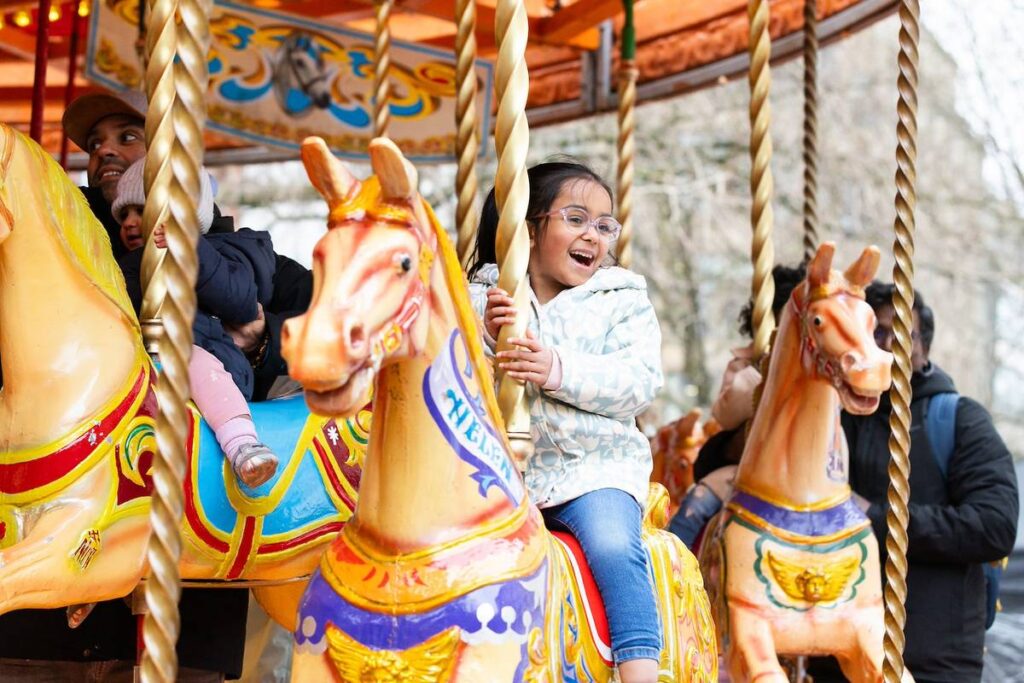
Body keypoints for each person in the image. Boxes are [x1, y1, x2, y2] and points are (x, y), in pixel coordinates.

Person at [468, 161, 664, 683]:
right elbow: (452, 382)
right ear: (528, 229)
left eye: (604, 225)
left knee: (612, 544)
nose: (593, 236)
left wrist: (557, 368)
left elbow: (638, 381)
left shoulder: (620, 300)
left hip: (592, 468)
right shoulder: (481, 298)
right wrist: (488, 340)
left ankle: (639, 665)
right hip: (495, 475)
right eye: (576, 218)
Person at [809, 283, 1019, 683]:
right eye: (870, 332)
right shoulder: (834, 417)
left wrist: (875, 516)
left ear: (921, 344)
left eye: (892, 332)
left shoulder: (960, 421)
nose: (879, 344)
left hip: (933, 659)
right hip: (837, 655)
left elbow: (994, 525)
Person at [60, 88, 312, 402]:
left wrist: (263, 338)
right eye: (94, 144)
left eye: (127, 137)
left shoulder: (233, 250)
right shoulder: (67, 229)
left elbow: (332, 318)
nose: (103, 150)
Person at [112, 156, 280, 487]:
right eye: (124, 215)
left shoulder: (224, 251)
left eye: (141, 210)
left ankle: (242, 443)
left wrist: (192, 253)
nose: (130, 223)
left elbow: (242, 301)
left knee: (189, 357)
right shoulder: (126, 265)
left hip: (211, 361)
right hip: (144, 357)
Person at [667, 264, 806, 548]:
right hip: (745, 471)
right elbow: (725, 416)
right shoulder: (745, 365)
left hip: (799, 471)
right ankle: (671, 568)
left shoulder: (813, 371)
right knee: (698, 502)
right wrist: (762, 376)